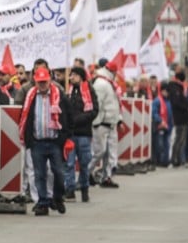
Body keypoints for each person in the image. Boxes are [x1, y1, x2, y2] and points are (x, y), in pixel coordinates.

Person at [21, 66, 69, 216]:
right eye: (39, 82)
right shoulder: (30, 96)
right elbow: (25, 117)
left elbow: (68, 117)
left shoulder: (59, 95)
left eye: (45, 82)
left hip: (55, 141)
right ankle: (43, 203)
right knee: (39, 174)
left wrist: (66, 137)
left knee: (59, 173)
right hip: (38, 142)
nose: (42, 85)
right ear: (35, 81)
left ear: (50, 80)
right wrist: (29, 140)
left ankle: (58, 197)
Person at [62, 65, 98, 203]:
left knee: (84, 163)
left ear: (81, 77)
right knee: (69, 164)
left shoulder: (89, 91)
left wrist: (77, 120)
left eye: (74, 75)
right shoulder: (69, 92)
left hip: (84, 133)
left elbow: (94, 111)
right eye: (71, 75)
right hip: (70, 134)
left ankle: (84, 188)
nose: (71, 78)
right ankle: (69, 189)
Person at [90, 61, 121, 187]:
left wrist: (118, 118)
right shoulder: (102, 84)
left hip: (110, 122)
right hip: (102, 123)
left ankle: (106, 177)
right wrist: (96, 122)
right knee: (99, 152)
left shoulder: (108, 83)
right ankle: (86, 172)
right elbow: (97, 104)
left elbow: (113, 103)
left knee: (109, 153)